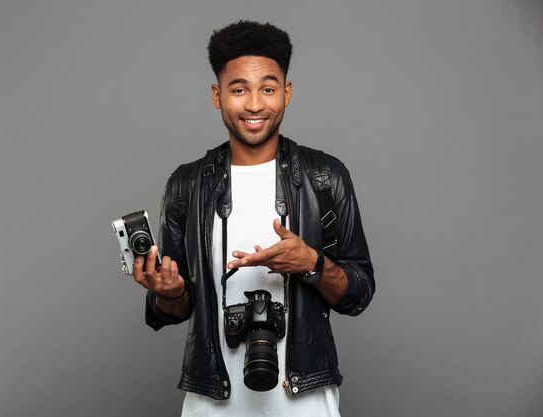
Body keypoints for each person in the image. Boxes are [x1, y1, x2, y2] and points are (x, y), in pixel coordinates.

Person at [132, 20, 375, 417]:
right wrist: (170, 292)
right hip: (211, 403)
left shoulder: (325, 178)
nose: (255, 105)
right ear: (217, 95)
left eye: (268, 88)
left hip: (307, 402)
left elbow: (360, 293)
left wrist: (311, 264)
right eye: (239, 89)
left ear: (287, 92)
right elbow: (175, 309)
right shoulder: (187, 186)